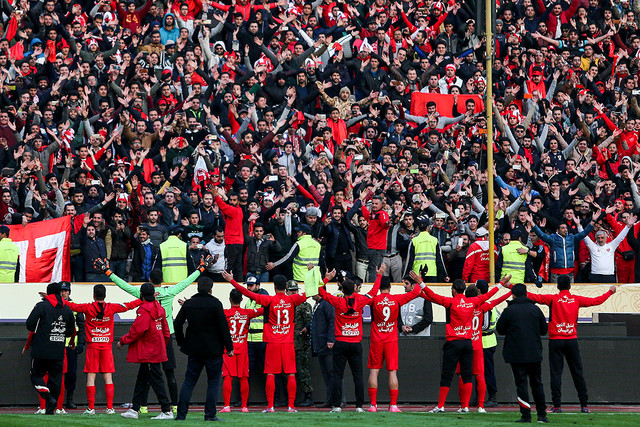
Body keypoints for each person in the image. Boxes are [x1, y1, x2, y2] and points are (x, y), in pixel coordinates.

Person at [98, 256, 212, 414]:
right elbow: (187, 281)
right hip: (166, 335)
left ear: (149, 279)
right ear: (163, 279)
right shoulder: (170, 291)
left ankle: (143, 407)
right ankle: (174, 406)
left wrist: (107, 271)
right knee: (168, 373)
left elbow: (123, 285)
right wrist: (201, 268)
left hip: (150, 338)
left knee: (148, 373)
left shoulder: (143, 292)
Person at [417, 272, 509, 413]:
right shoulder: (476, 303)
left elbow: (434, 297)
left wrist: (420, 286)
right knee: (474, 375)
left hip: (455, 342)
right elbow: (491, 298)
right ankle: (475, 406)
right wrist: (503, 286)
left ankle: (442, 405)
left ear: (454, 290)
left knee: (449, 374)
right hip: (472, 343)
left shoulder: (452, 302)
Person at [527, 275, 618, 413]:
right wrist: (610, 291)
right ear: (570, 286)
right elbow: (596, 301)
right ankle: (584, 405)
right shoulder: (576, 299)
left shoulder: (553, 299)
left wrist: (510, 287)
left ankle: (557, 406)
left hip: (556, 340)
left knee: (556, 373)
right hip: (571, 339)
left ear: (557, 286)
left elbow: (533, 296)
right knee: (577, 372)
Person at [222, 271, 308, 413]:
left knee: (270, 374)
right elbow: (311, 292)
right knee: (291, 373)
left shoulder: (269, 300)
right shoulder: (293, 300)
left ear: (274, 287)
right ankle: (291, 407)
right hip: (287, 342)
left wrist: (232, 281)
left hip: (272, 342)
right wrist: (324, 279)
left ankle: (270, 406)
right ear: (286, 287)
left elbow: (248, 293)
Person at [63, 284, 142, 415]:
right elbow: (128, 305)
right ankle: (110, 408)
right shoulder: (111, 307)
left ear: (93, 295)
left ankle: (91, 408)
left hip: (92, 347)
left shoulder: (88, 307)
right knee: (108, 377)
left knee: (91, 376)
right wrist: (144, 299)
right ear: (105, 295)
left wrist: (53, 298)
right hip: (106, 347)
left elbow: (72, 306)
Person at [317, 265, 384, 413]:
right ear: (354, 288)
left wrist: (326, 279)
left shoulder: (338, 301)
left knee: (337, 375)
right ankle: (359, 406)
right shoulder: (360, 300)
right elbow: (373, 292)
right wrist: (379, 275)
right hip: (355, 343)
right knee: (358, 375)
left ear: (342, 290)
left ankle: (336, 406)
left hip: (340, 343)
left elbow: (320, 291)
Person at [174, 277, 233, 421]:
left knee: (189, 381)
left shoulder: (189, 304)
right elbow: (223, 327)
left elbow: (178, 324)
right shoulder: (215, 304)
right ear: (211, 288)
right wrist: (229, 347)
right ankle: (210, 415)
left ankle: (181, 414)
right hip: (213, 349)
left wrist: (181, 342)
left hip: (194, 349)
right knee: (213, 382)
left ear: (197, 288)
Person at [367, 275, 422, 413]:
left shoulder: (373, 299)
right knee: (392, 372)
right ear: (390, 287)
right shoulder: (396, 299)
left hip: (376, 339)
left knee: (374, 371)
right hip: (391, 340)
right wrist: (418, 280)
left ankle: (373, 405)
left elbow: (362, 299)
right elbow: (416, 292)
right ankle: (393, 405)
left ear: (379, 287)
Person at [118, 283, 173, 420]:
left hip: (149, 351)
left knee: (156, 379)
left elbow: (137, 330)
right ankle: (135, 409)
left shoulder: (144, 310)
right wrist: (162, 345)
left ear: (141, 294)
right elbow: (166, 331)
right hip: (156, 349)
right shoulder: (159, 308)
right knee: (142, 379)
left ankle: (166, 410)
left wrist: (123, 341)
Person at [496, 283, 549, 424]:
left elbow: (500, 329)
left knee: (521, 384)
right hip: (534, 352)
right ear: (526, 294)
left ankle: (526, 415)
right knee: (537, 383)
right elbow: (544, 330)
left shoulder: (509, 311)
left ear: (513, 295)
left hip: (516, 353)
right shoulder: (535, 309)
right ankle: (542, 415)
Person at [26, 282, 75, 415]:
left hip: (40, 350)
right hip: (58, 350)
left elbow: (30, 324)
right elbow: (71, 331)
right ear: (60, 293)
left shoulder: (42, 305)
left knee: (35, 375)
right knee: (56, 379)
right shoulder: (67, 309)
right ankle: (50, 409)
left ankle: (47, 397)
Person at [219, 289, 263, 413]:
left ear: (229, 299)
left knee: (228, 377)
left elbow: (210, 314)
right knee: (244, 377)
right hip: (243, 348)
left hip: (229, 349)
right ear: (242, 300)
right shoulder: (247, 312)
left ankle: (227, 406)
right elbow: (263, 310)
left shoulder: (225, 313)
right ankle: (244, 406)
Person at [527, 211, 597, 283]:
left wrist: (593, 221)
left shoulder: (571, 238)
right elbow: (541, 234)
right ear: (557, 230)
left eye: (566, 228)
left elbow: (584, 233)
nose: (565, 229)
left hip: (570, 272)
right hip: (556, 273)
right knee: (556, 292)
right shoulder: (553, 238)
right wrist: (531, 222)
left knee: (569, 293)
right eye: (563, 228)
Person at [582, 215, 634, 283]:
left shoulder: (611, 246)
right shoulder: (593, 247)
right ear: (596, 239)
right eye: (598, 238)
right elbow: (584, 236)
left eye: (602, 238)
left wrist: (627, 227)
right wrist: (578, 225)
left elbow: (621, 237)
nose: (600, 240)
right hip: (595, 275)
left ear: (606, 238)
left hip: (609, 276)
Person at [59, 282, 85, 412]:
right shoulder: (56, 305)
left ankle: (69, 399)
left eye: (66, 291)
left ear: (69, 292)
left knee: (71, 374)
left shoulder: (75, 306)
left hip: (71, 347)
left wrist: (81, 342)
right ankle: (56, 400)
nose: (64, 293)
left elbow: (81, 325)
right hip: (57, 345)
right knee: (56, 373)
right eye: (62, 291)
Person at [289, 280, 314, 407]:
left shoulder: (304, 305)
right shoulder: (285, 305)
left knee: (302, 370)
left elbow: (310, 322)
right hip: (286, 343)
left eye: (296, 290)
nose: (294, 292)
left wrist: (306, 328)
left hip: (300, 344)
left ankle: (307, 396)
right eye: (291, 290)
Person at [212, 187, 245, 282]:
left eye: (234, 200)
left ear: (238, 201)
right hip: (238, 242)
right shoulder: (238, 210)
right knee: (237, 266)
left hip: (232, 242)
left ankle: (229, 284)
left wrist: (216, 196)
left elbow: (224, 207)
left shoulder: (234, 211)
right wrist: (223, 196)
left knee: (230, 265)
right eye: (230, 200)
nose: (232, 202)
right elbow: (227, 206)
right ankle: (238, 284)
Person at [310, 290, 336, 408]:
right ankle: (330, 399)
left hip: (326, 344)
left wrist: (331, 339)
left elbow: (332, 321)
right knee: (327, 374)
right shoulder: (318, 304)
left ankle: (338, 399)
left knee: (332, 373)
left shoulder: (326, 304)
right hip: (320, 345)